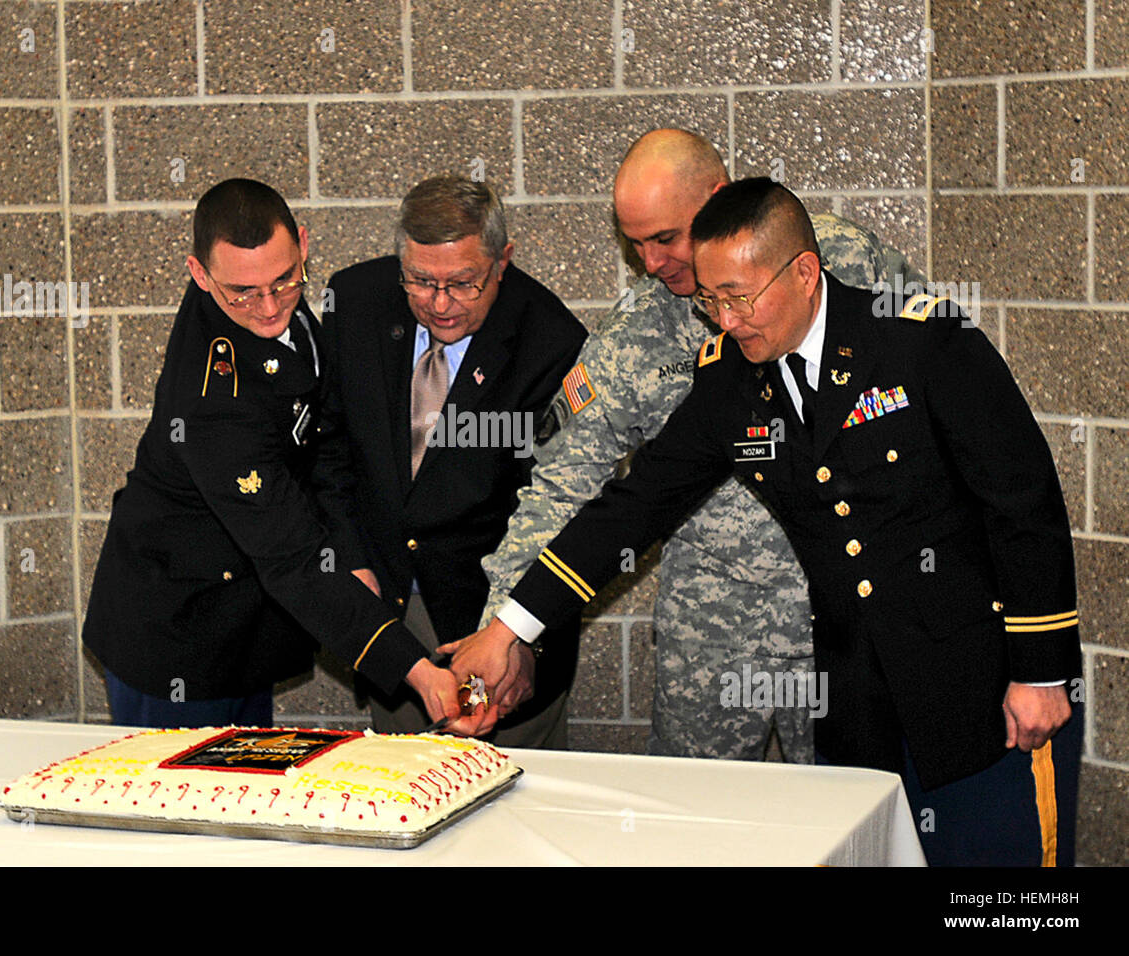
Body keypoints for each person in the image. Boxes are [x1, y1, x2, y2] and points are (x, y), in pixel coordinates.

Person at [450, 178, 1082, 866]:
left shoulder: (920, 342)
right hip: (859, 711)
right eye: (710, 301)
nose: (726, 320)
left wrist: (1041, 672)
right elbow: (635, 507)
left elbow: (1023, 502)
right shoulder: (730, 380)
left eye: (740, 298)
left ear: (806, 273)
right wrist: (512, 627)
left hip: (984, 690)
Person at [481, 128, 926, 760]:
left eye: (666, 238)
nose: (652, 263)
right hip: (711, 630)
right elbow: (560, 486)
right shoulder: (635, 333)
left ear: (718, 197)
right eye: (635, 245)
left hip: (844, 617)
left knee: (855, 819)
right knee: (695, 828)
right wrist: (504, 629)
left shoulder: (842, 262)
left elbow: (935, 390)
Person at [83, 178, 460, 730]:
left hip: (244, 626)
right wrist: (415, 667)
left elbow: (322, 441)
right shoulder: (213, 401)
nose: (267, 307)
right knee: (187, 803)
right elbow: (291, 556)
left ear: (303, 246)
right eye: (242, 292)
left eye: (285, 281)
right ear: (199, 275)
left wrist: (348, 550)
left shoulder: (280, 305)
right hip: (175, 638)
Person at [321, 175, 587, 747]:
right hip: (389, 601)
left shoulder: (552, 342)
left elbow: (557, 513)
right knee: (405, 788)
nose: (440, 304)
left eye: (464, 284)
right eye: (420, 281)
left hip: (494, 613)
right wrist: (347, 560)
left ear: (502, 262)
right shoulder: (355, 303)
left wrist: (517, 638)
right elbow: (328, 449)